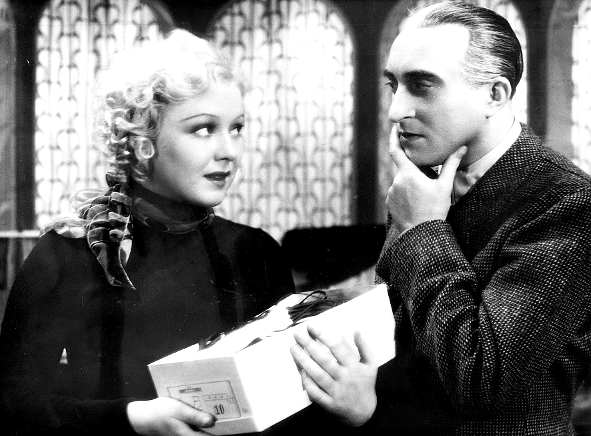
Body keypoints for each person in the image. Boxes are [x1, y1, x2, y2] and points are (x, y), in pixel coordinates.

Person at [291, 2, 591, 435]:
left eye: (422, 86)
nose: (395, 111)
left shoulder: (567, 201)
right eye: (394, 85)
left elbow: (480, 380)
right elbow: (399, 342)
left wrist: (423, 229)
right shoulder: (425, 181)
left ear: (495, 95)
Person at [0, 29, 294, 436]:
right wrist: (132, 419)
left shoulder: (255, 251)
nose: (229, 151)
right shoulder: (69, 254)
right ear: (142, 142)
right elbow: (13, 407)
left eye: (237, 128)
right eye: (203, 129)